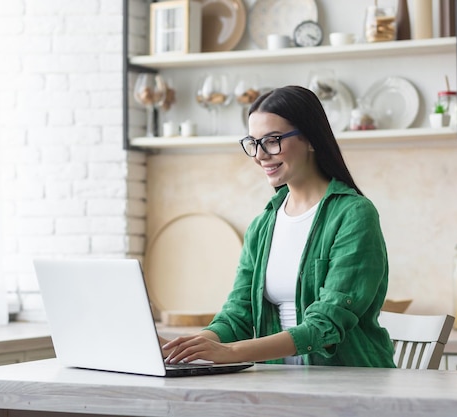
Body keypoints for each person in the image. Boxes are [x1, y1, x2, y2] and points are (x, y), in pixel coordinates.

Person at [160, 85, 395, 368]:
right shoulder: (263, 224)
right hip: (278, 384)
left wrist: (232, 353)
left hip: (349, 386)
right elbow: (238, 314)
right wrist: (189, 346)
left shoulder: (354, 214)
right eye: (254, 143)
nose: (260, 155)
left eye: (272, 140)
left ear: (311, 139)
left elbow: (326, 324)